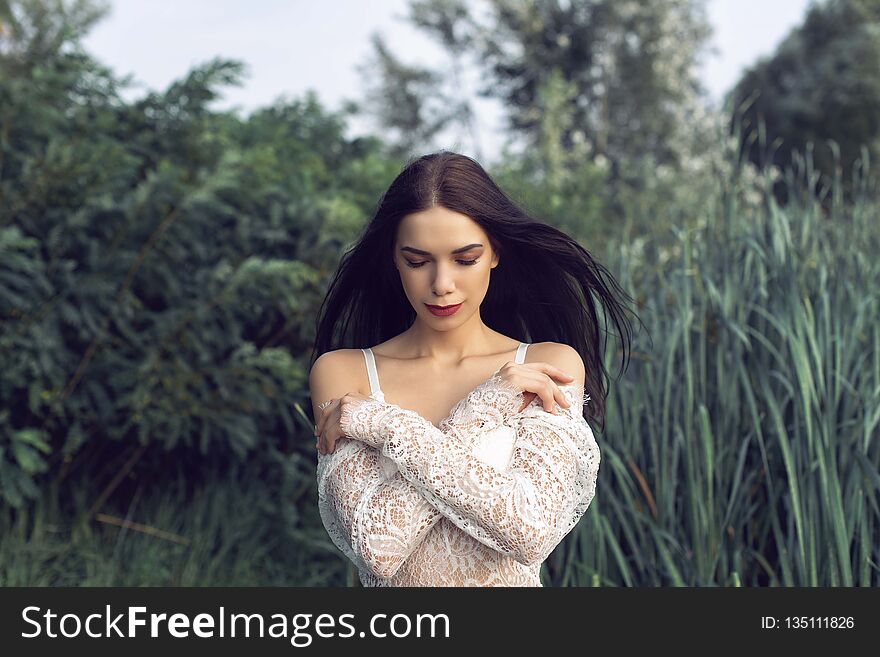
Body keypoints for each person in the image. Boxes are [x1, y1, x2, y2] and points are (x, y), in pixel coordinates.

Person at [308, 151, 641, 586]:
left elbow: (529, 529)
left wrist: (384, 424)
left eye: (464, 259)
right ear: (394, 258)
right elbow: (378, 545)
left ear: (495, 253)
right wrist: (483, 408)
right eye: (417, 260)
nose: (442, 284)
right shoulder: (343, 374)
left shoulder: (546, 365)